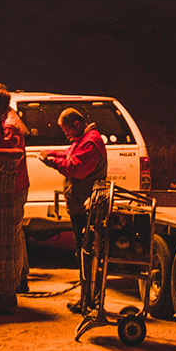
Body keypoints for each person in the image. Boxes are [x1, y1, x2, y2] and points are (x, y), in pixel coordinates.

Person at [43, 105, 108, 309]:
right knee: (82, 252)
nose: (66, 134)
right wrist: (52, 154)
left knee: (86, 253)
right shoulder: (82, 140)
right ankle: (86, 298)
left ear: (77, 124)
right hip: (80, 205)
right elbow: (69, 154)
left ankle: (89, 300)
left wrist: (52, 162)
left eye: (66, 130)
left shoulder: (91, 143)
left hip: (86, 208)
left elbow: (75, 168)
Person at [0, 83, 30, 294]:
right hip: (20, 183)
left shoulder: (9, 126)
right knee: (17, 231)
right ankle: (22, 275)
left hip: (14, 185)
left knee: (13, 232)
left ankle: (17, 279)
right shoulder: (11, 119)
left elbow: (4, 155)